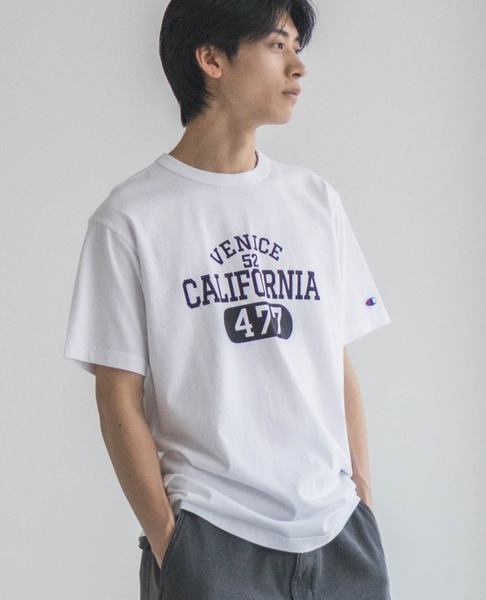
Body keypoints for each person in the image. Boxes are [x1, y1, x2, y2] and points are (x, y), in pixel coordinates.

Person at [64, 0, 393, 598]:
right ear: (212, 59)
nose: (298, 66)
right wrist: (173, 545)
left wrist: (362, 500)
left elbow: (335, 360)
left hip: (339, 535)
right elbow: (116, 393)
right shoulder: (131, 219)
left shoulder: (315, 202)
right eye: (277, 45)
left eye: (297, 48)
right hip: (215, 540)